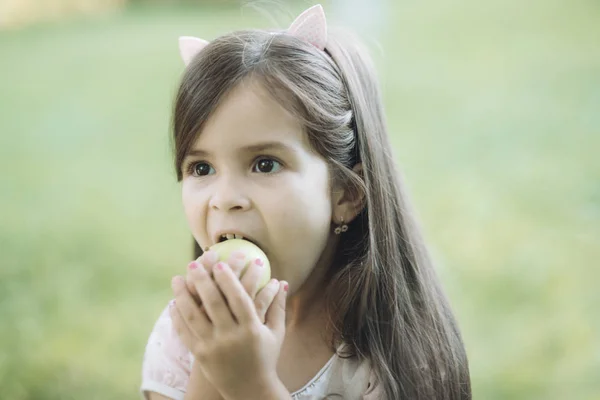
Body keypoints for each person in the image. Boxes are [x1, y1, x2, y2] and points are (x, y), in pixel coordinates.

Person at [140, 4, 471, 399]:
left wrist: (249, 386)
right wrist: (210, 368)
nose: (224, 199)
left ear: (346, 194)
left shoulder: (388, 359)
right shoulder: (183, 335)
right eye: (201, 168)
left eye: (264, 164)